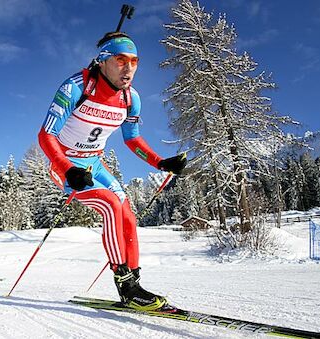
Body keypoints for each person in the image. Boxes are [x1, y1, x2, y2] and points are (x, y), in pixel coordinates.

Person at [38, 31, 187, 311]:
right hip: (66, 164)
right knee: (109, 205)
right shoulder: (76, 87)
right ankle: (126, 287)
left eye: (134, 61)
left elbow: (132, 138)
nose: (129, 67)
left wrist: (161, 163)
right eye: (120, 60)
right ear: (103, 60)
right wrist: (67, 168)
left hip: (94, 163)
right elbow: (46, 134)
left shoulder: (131, 99)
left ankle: (136, 285)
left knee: (127, 214)